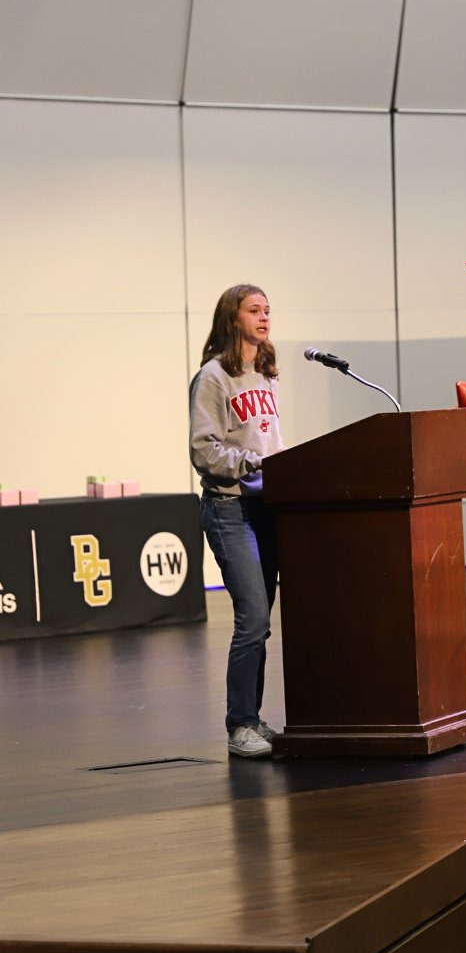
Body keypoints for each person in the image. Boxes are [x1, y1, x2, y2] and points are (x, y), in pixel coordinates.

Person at [189, 285, 285, 758]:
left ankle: (253, 717)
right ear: (233, 318)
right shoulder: (213, 377)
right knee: (252, 617)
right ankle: (238, 726)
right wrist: (252, 463)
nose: (264, 317)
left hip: (267, 509)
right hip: (228, 508)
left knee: (262, 620)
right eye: (254, 310)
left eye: (268, 310)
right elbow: (202, 448)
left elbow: (271, 443)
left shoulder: (264, 374)